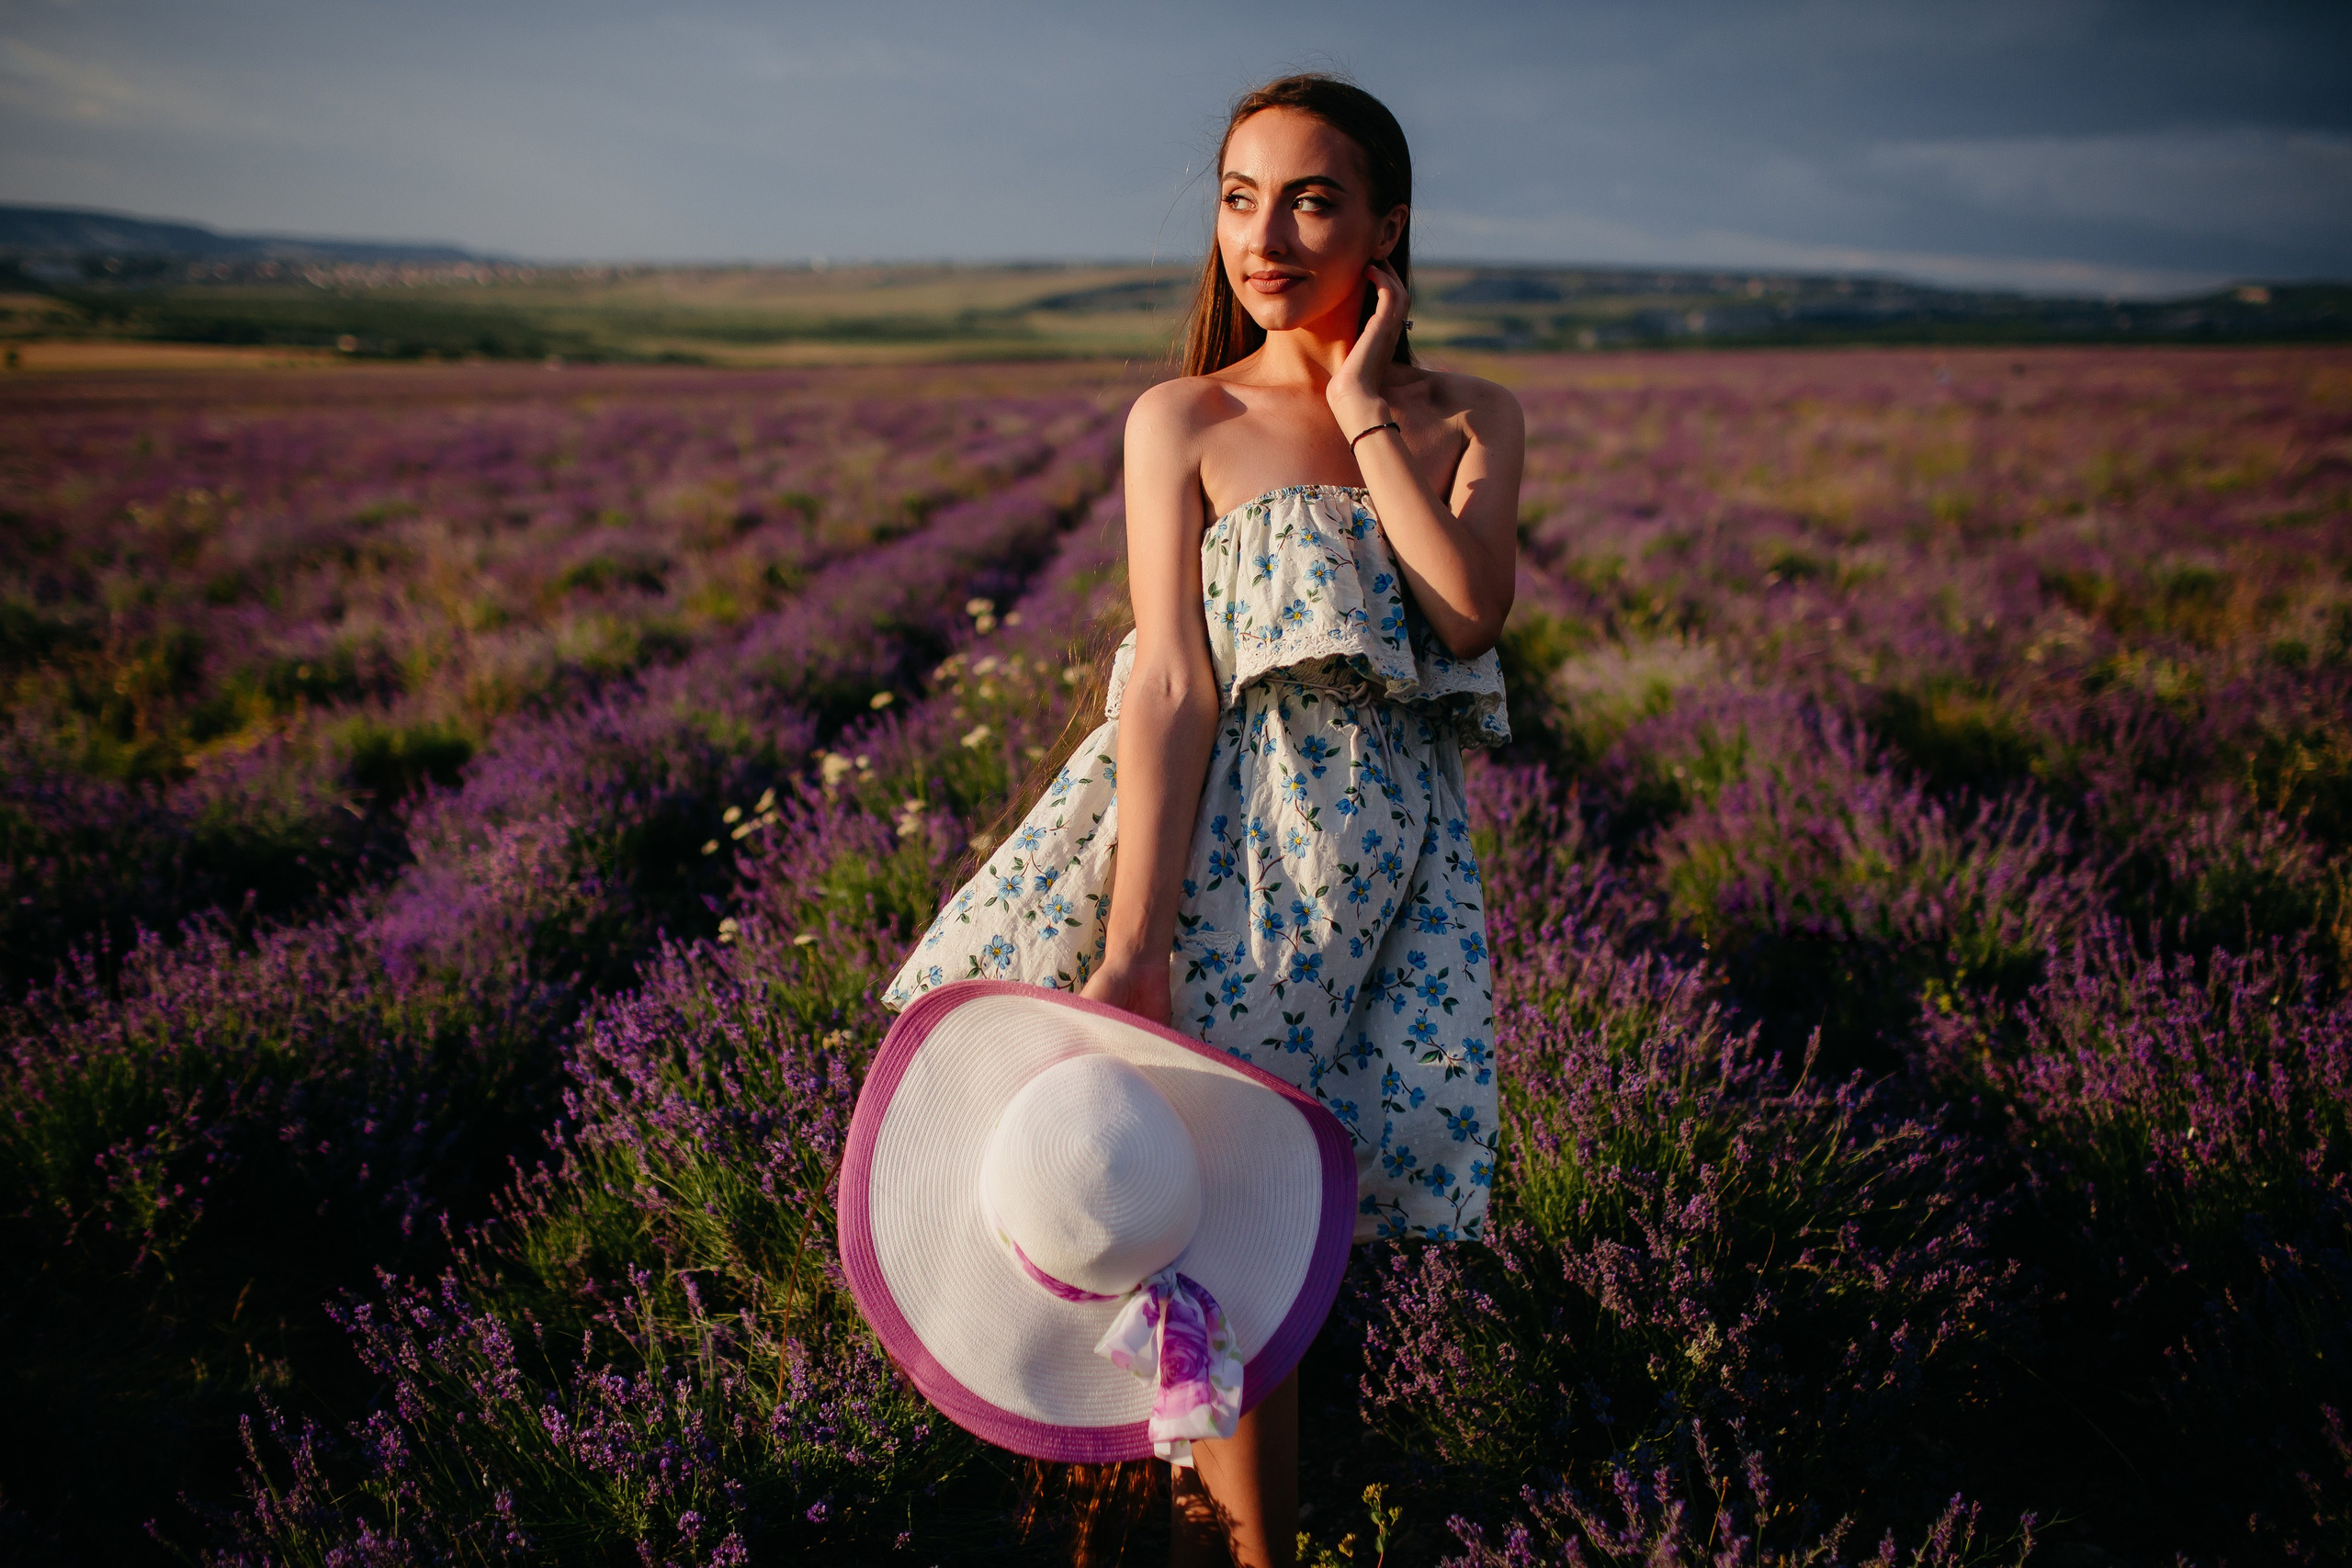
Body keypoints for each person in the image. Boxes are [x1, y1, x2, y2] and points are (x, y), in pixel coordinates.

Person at [885, 72, 1521, 1568]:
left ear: (1387, 223)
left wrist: (1364, 413)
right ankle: (1184, 1532)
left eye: (1311, 198)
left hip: (1389, 882)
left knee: (1266, 1227)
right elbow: (1169, 682)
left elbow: (1466, 612)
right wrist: (1134, 943)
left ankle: (1206, 1539)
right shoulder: (1183, 417)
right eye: (1240, 198)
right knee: (1188, 1213)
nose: (1266, 234)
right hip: (1242, 863)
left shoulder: (1465, 419)